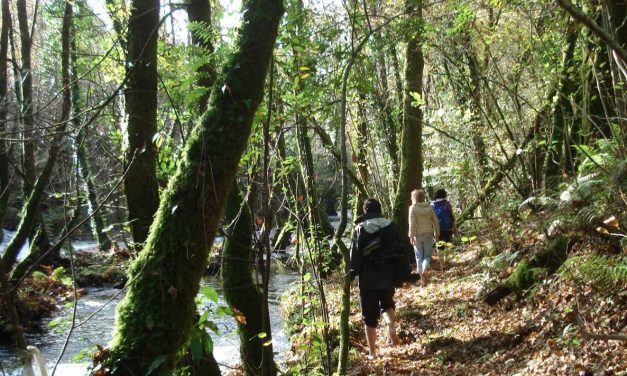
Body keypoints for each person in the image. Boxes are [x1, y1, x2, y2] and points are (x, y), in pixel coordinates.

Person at [350, 198, 404, 359]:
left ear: (365, 211)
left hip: (367, 279)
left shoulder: (359, 229)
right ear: (380, 210)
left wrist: (352, 273)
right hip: (387, 275)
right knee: (387, 305)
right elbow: (401, 251)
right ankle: (390, 325)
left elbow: (355, 256)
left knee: (369, 316)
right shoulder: (392, 226)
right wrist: (403, 275)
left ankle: (372, 353)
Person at [408, 189, 440, 286]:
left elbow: (412, 223)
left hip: (417, 235)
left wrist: (411, 235)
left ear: (414, 198)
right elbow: (435, 221)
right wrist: (437, 234)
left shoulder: (412, 208)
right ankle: (426, 266)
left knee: (418, 256)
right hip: (428, 234)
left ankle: (422, 280)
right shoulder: (429, 207)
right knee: (427, 255)